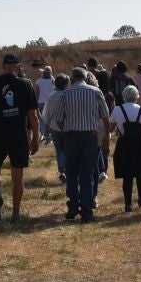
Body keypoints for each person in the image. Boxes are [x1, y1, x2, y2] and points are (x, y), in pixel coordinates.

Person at [0, 52, 40, 222]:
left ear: (2, 66)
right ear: (18, 66)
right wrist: (36, 137)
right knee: (17, 175)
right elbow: (33, 115)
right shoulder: (25, 84)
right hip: (18, 134)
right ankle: (15, 212)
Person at [47, 67, 110, 222]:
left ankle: (73, 206)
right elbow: (105, 117)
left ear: (72, 78)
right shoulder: (96, 92)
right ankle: (87, 212)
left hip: (71, 138)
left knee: (72, 173)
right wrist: (106, 138)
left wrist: (66, 130)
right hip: (90, 137)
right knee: (87, 174)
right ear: (85, 77)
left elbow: (59, 119)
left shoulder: (65, 94)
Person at [108, 84, 141, 212]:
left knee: (127, 176)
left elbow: (111, 129)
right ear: (137, 96)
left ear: (124, 96)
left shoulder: (118, 110)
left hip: (123, 145)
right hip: (140, 144)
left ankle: (128, 204)